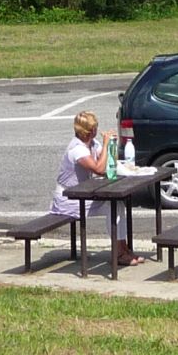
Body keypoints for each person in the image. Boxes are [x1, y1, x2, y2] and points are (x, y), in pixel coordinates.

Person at [50, 110, 144, 267]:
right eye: (94, 127)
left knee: (117, 204)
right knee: (111, 206)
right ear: (88, 131)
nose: (97, 130)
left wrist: (111, 145)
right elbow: (99, 169)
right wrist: (107, 143)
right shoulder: (77, 149)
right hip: (67, 199)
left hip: (81, 194)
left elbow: (109, 162)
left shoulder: (93, 144)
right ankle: (119, 253)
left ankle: (124, 250)